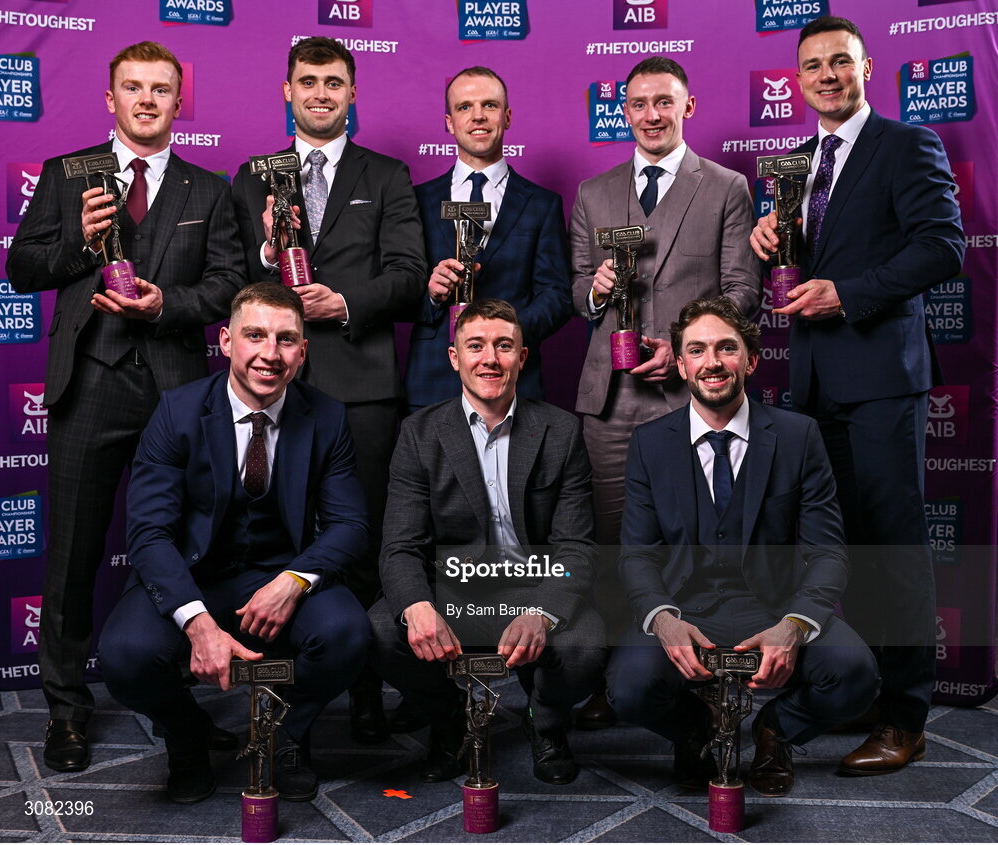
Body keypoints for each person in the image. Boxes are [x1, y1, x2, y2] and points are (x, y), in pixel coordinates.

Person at [6, 41, 246, 773]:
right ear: (110, 99)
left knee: (184, 547)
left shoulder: (210, 189)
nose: (147, 99)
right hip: (90, 385)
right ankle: (67, 711)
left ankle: (176, 701)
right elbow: (21, 269)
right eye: (133, 88)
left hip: (179, 389)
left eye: (162, 89)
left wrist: (167, 302)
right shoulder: (67, 172)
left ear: (181, 102)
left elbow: (228, 287)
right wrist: (79, 243)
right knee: (73, 555)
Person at [749, 16, 965, 774]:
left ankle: (907, 717)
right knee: (836, 548)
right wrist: (766, 238)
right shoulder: (795, 161)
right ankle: (866, 692)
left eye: (841, 61)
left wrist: (850, 294)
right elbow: (802, 255)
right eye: (813, 66)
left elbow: (943, 246)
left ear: (867, 67)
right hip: (808, 385)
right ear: (798, 80)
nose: (827, 75)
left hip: (878, 381)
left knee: (894, 549)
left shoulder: (908, 145)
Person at [98, 283, 372, 804]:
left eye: (287, 339)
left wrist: (293, 581)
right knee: (126, 655)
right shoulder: (177, 412)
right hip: (192, 575)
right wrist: (197, 622)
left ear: (303, 350)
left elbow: (350, 525)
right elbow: (149, 533)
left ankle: (282, 735)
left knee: (348, 633)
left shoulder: (328, 416)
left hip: (278, 572)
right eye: (255, 335)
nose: (271, 354)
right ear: (226, 341)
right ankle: (187, 733)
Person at [231, 36, 426, 743]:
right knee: (272, 539)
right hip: (267, 388)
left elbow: (409, 277)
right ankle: (285, 699)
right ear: (287, 90)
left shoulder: (388, 173)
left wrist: (337, 301)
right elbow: (231, 282)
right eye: (308, 81)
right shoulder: (254, 174)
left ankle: (367, 692)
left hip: (360, 387)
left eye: (334, 82)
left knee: (365, 538)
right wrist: (264, 255)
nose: (320, 92)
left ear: (352, 93)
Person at [607, 297, 879, 796]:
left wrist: (795, 625)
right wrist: (664, 620)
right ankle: (697, 731)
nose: (712, 362)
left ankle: (776, 731)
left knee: (855, 674)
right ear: (682, 363)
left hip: (774, 609)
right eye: (698, 350)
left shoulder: (799, 436)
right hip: (685, 610)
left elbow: (827, 552)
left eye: (727, 348)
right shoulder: (650, 443)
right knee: (627, 688)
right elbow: (638, 556)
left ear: (751, 360)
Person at [569, 55, 761, 726]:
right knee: (614, 545)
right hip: (612, 403)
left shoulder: (728, 186)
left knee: (699, 540)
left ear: (689, 107)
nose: (651, 114)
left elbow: (742, 290)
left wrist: (681, 350)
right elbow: (577, 289)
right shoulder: (594, 192)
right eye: (639, 103)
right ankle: (615, 678)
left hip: (693, 399)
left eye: (664, 102)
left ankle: (703, 681)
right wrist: (593, 290)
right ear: (623, 112)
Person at [370, 299, 606, 785]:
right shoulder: (419, 433)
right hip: (452, 588)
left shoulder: (560, 431)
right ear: (454, 357)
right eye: (475, 346)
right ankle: (451, 720)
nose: (490, 359)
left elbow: (576, 549)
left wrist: (543, 611)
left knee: (586, 643)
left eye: (504, 346)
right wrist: (417, 606)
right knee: (380, 629)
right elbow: (399, 546)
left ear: (523, 356)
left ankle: (545, 721)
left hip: (533, 582)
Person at [407, 66, 572, 412]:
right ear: (449, 122)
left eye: (489, 106)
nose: (478, 116)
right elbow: (397, 287)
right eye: (465, 107)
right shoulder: (416, 200)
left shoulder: (542, 204)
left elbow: (556, 295)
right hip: (433, 380)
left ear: (507, 116)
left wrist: (505, 336)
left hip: (515, 380)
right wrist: (431, 295)